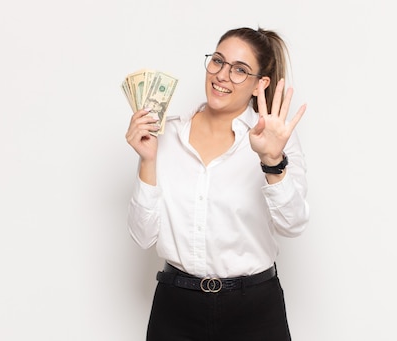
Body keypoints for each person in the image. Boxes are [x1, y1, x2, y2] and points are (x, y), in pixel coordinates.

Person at [125, 26, 309, 341]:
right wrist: (148, 160)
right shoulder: (166, 135)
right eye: (218, 61)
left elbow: (293, 225)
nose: (223, 75)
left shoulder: (276, 141)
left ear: (259, 84)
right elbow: (142, 236)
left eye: (240, 70)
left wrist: (272, 163)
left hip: (254, 309)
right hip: (176, 306)